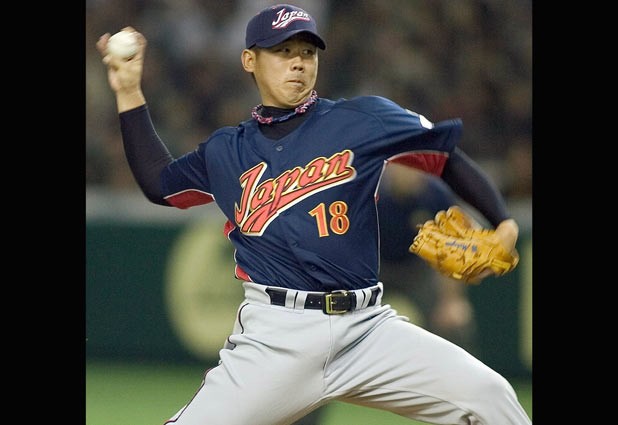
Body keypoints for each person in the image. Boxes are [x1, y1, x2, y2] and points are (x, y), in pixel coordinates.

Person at [96, 4, 531, 424]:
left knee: (490, 397)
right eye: (282, 51)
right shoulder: (226, 151)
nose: (298, 62)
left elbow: (444, 155)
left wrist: (504, 221)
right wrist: (129, 92)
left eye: (307, 52)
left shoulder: (361, 119)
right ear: (249, 60)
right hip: (277, 339)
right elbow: (160, 184)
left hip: (367, 330)